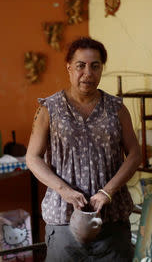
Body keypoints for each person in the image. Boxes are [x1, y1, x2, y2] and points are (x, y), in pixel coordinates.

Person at [26, 37, 142, 261]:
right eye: (81, 65)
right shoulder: (49, 109)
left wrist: (107, 192)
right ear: (69, 67)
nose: (87, 73)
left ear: (101, 69)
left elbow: (135, 154)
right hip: (63, 222)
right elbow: (32, 158)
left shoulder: (117, 109)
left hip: (112, 221)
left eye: (95, 66)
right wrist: (64, 191)